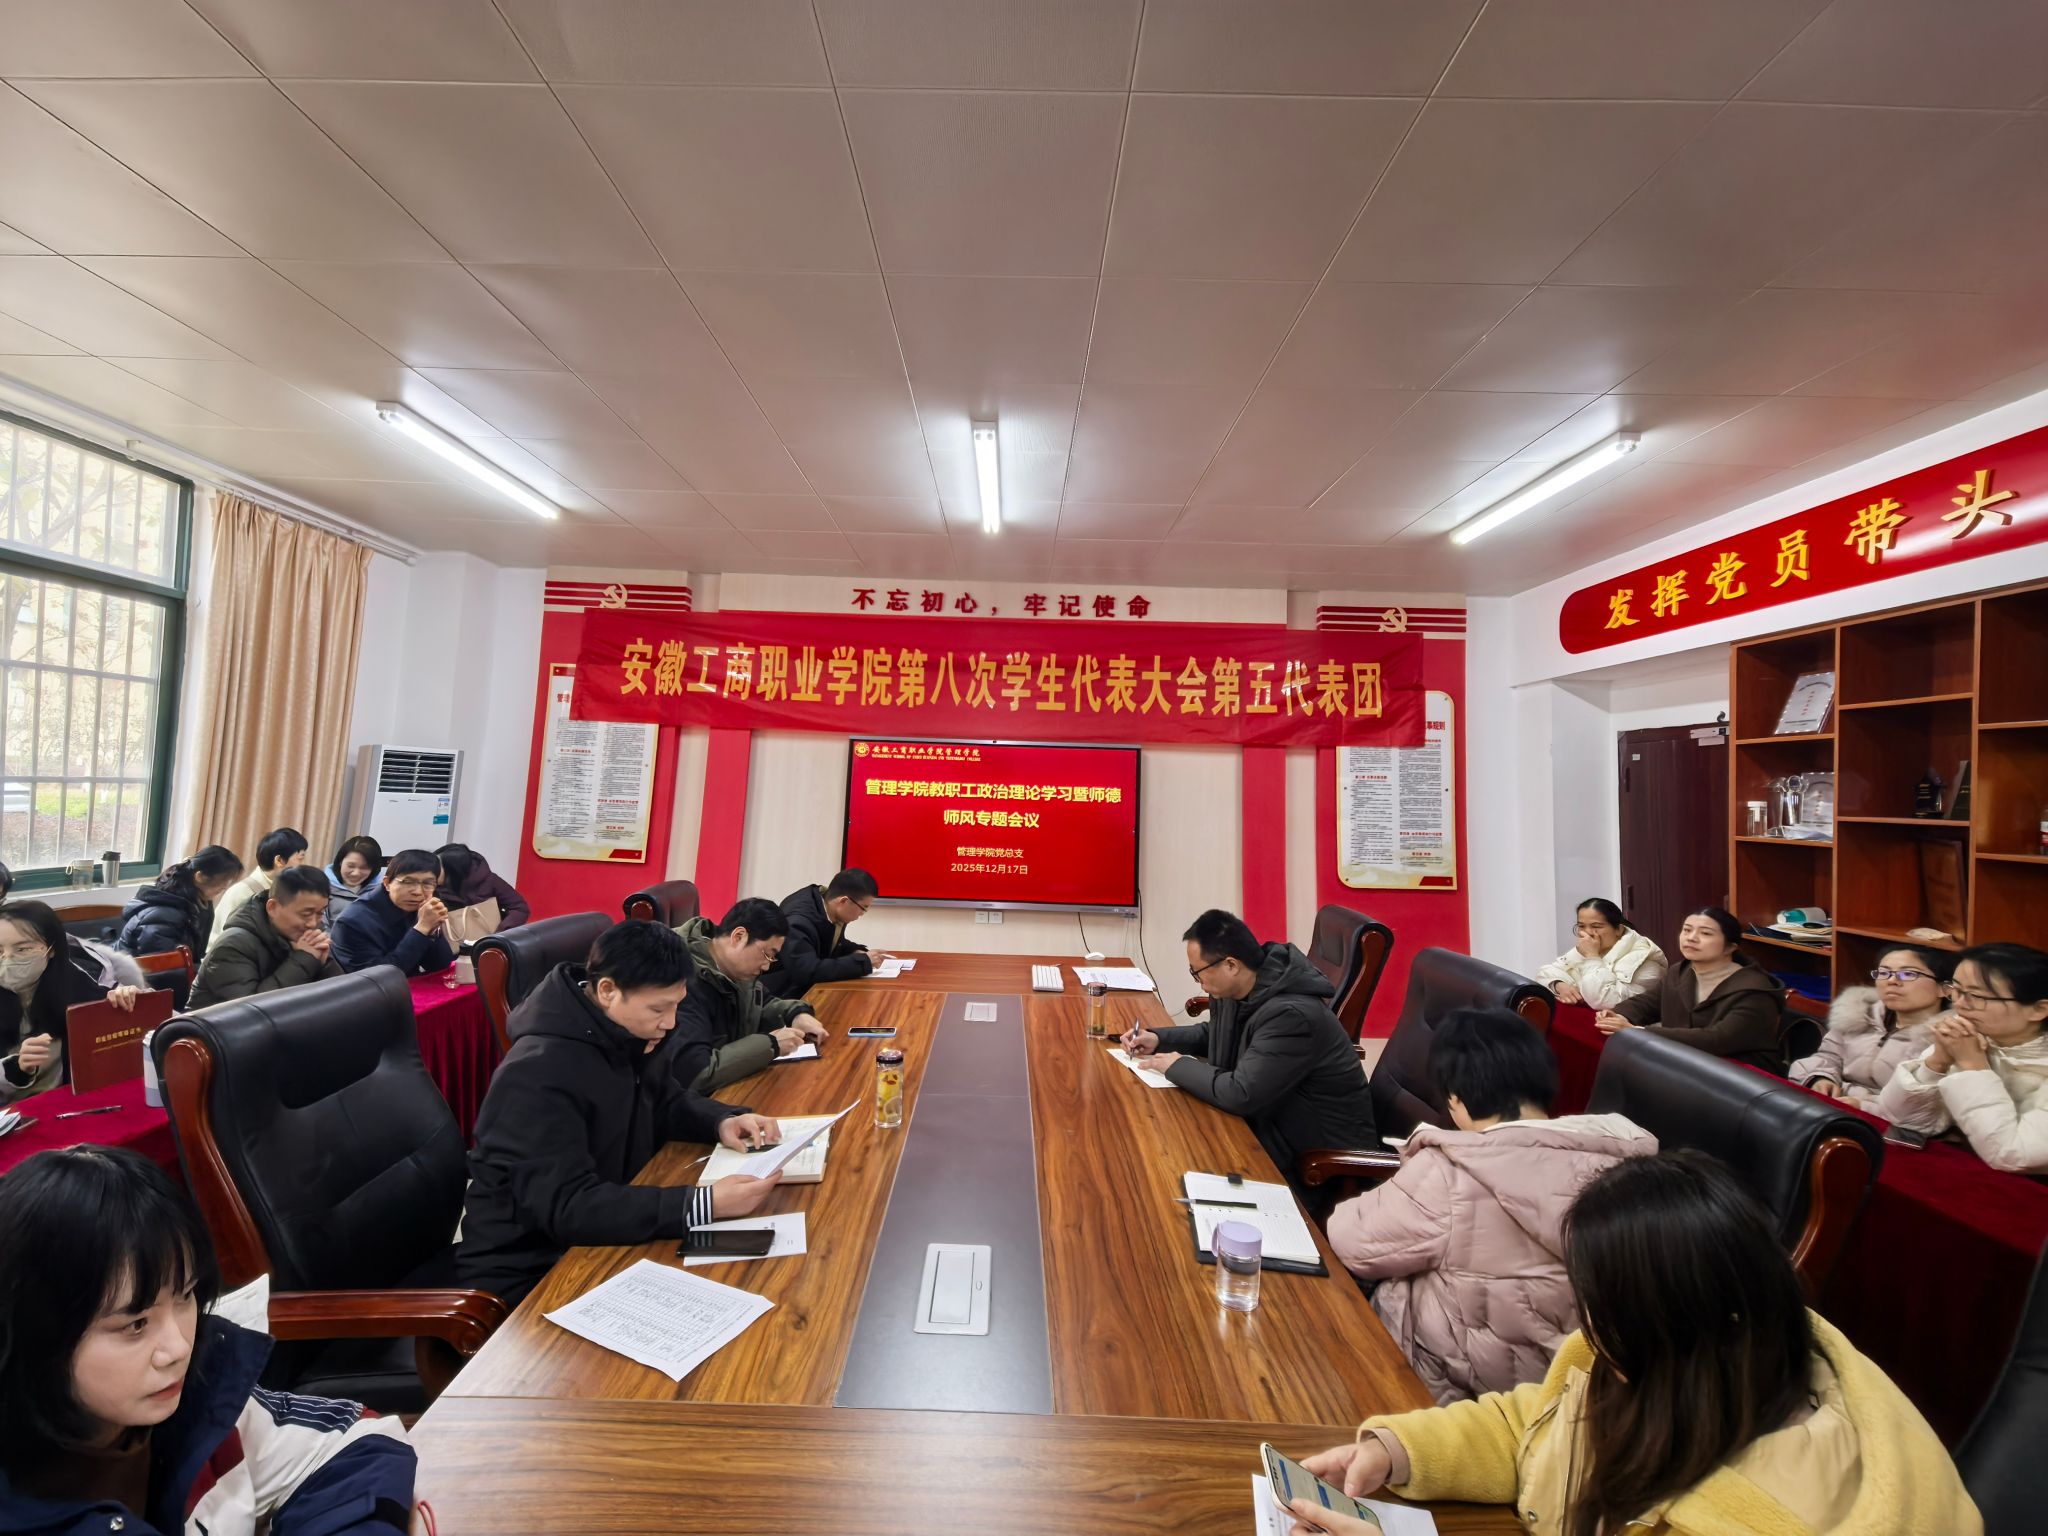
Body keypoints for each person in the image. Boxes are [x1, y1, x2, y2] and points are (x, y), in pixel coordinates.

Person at [1284, 1151, 1980, 1536]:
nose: (1584, 1322)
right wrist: (1397, 1450)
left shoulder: (1771, 1511)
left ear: (1671, 1314)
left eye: (1599, 1303)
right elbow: (1537, 1424)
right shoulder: (1668, 1361)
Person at [0, 1146, 418, 1536]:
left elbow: (355, 1442)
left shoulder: (197, 1401)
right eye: (136, 1324)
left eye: (185, 1296)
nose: (178, 1348)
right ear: (36, 1334)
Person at [1326, 1008, 1656, 1404]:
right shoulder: (1626, 1163)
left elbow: (1352, 1242)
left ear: (1456, 1098)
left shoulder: (1452, 1171)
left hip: (1446, 1390)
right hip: (1566, 1393)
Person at [457, 920, 784, 1308]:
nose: (670, 1022)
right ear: (608, 991)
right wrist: (701, 1204)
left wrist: (721, 1120)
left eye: (676, 1005)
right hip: (532, 1270)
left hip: (603, 1233)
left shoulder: (624, 1031)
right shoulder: (536, 1073)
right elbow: (568, 1206)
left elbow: (665, 1100)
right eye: (658, 1008)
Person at [1123, 909, 1377, 1178]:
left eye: (1198, 973)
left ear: (1231, 966)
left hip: (1313, 1159)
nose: (1199, 982)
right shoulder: (1245, 987)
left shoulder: (1291, 1016)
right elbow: (1217, 1034)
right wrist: (1159, 1039)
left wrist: (1176, 1065)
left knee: (1170, 1161)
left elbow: (1241, 1093)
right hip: (1270, 1121)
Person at [1875, 942, 2048, 1174]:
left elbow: (2013, 1155)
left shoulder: (1971, 1048)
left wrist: (1973, 1066)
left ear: (2038, 1010)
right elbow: (1901, 1118)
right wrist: (1937, 1062)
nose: (1959, 1004)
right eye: (1956, 990)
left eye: (1975, 995)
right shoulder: (1971, 1035)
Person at [1595, 906, 1787, 1071]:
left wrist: (1639, 1031)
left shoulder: (1754, 989)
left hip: (1744, 1075)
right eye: (1687, 930)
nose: (1692, 938)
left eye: (1705, 933)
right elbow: (1647, 1003)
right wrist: (1617, 1015)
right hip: (1688, 1062)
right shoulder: (1680, 971)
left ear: (1730, 947)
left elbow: (1717, 1039)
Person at [671, 898, 827, 1091]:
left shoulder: (731, 968)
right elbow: (697, 1073)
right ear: (739, 937)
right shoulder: (684, 981)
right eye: (768, 954)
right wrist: (771, 1044)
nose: (767, 966)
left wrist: (796, 1014)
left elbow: (761, 1002)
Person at [0, 900, 146, 1105]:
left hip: (71, 1105)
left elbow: (154, 1027)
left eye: (22, 949)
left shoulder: (82, 986)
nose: (8, 959)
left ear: (51, 949)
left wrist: (135, 1002)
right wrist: (17, 1068)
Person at [1790, 944, 1955, 1105]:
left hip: (1887, 1119)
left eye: (1908, 974)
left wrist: (1865, 1105)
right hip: (1834, 1105)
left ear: (1945, 989)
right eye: (1884, 973)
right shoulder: (1859, 1015)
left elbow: (1930, 1105)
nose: (1892, 980)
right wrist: (1820, 1078)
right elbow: (1829, 1056)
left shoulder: (1948, 1038)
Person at [186, 865, 344, 1011]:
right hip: (214, 1028)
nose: (313, 923)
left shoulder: (304, 936)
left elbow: (340, 995)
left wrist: (323, 963)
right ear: (272, 907)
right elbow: (252, 1010)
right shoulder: (233, 946)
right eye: (306, 914)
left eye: (320, 913)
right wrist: (304, 958)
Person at [759, 868, 886, 1000]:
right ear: (844, 901)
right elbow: (807, 971)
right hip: (782, 995)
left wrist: (855, 951)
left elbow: (828, 943)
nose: (862, 914)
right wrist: (861, 963)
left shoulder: (828, 905)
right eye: (863, 908)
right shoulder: (798, 923)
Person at [330, 848, 455, 978]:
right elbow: (378, 978)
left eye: (427, 883)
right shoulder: (353, 921)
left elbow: (440, 965)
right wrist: (421, 929)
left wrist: (432, 929)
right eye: (408, 882)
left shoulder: (421, 909)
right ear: (387, 883)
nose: (418, 892)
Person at [113, 845, 244, 963]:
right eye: (222, 881)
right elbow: (161, 966)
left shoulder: (199, 904)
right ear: (199, 877)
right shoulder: (164, 915)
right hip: (130, 977)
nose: (224, 886)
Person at [1534, 897, 1666, 1010]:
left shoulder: (1646, 960)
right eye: (1581, 926)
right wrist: (1558, 985)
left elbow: (1604, 1001)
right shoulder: (1589, 948)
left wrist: (1592, 958)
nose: (1587, 933)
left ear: (1618, 930)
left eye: (1596, 927)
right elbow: (1546, 973)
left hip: (1620, 1027)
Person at [208, 826, 309, 945]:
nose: (304, 865)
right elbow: (228, 941)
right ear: (279, 860)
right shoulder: (242, 892)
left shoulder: (285, 891)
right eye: (300, 858)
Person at [434, 842, 530, 930]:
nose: (432, 871)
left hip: (487, 936)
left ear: (452, 870)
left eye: (437, 867)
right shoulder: (431, 886)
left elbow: (519, 908)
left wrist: (499, 932)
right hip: (448, 938)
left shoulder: (488, 880)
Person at [325, 834, 385, 911]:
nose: (355, 873)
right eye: (350, 866)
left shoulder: (382, 892)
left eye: (364, 868)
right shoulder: (322, 888)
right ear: (340, 862)